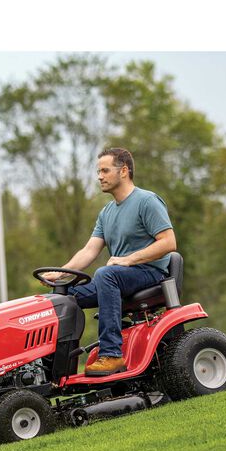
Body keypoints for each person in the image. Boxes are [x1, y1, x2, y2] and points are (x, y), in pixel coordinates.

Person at [41, 147, 176, 376]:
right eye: (98, 171)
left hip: (149, 272)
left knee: (106, 273)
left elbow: (169, 242)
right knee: (62, 296)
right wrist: (60, 274)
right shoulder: (106, 213)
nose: (99, 176)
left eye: (105, 170)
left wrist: (128, 260)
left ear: (123, 171)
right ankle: (52, 367)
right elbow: (89, 250)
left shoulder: (147, 201)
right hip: (119, 277)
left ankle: (112, 355)